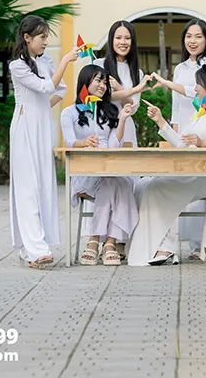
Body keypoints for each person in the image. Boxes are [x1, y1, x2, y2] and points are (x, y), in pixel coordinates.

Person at [127, 63, 206, 266]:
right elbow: (182, 144)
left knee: (156, 187)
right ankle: (163, 247)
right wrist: (160, 121)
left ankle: (165, 248)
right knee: (143, 185)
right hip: (190, 173)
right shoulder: (201, 112)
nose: (195, 88)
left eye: (198, 83)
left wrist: (204, 143)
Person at [9, 15, 79, 269]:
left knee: (43, 185)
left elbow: (60, 90)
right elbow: (47, 86)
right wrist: (65, 61)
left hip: (41, 126)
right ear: (27, 38)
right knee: (27, 187)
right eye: (42, 37)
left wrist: (40, 109)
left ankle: (30, 248)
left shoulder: (45, 61)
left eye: (47, 37)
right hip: (24, 129)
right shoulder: (17, 66)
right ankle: (37, 249)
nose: (45, 42)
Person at [152, 18, 206, 257]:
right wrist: (174, 133)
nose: (193, 41)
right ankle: (184, 244)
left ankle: (199, 244)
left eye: (198, 36)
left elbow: (199, 94)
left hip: (205, 131)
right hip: (183, 135)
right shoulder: (180, 68)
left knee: (199, 189)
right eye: (189, 36)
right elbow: (177, 105)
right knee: (180, 185)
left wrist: (168, 83)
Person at [60, 65, 139, 266]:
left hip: (109, 170)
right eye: (98, 80)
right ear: (85, 81)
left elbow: (114, 146)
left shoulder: (110, 111)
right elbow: (69, 142)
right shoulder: (69, 113)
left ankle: (97, 242)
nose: (103, 85)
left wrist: (122, 120)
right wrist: (84, 142)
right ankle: (107, 243)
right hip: (84, 173)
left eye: (105, 82)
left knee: (118, 182)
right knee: (117, 183)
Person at [94, 20, 153, 146]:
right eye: (118, 38)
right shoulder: (98, 65)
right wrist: (130, 91)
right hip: (101, 125)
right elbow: (99, 97)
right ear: (111, 40)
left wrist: (119, 88)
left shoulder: (137, 72)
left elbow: (132, 107)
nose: (123, 42)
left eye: (127, 38)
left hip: (126, 128)